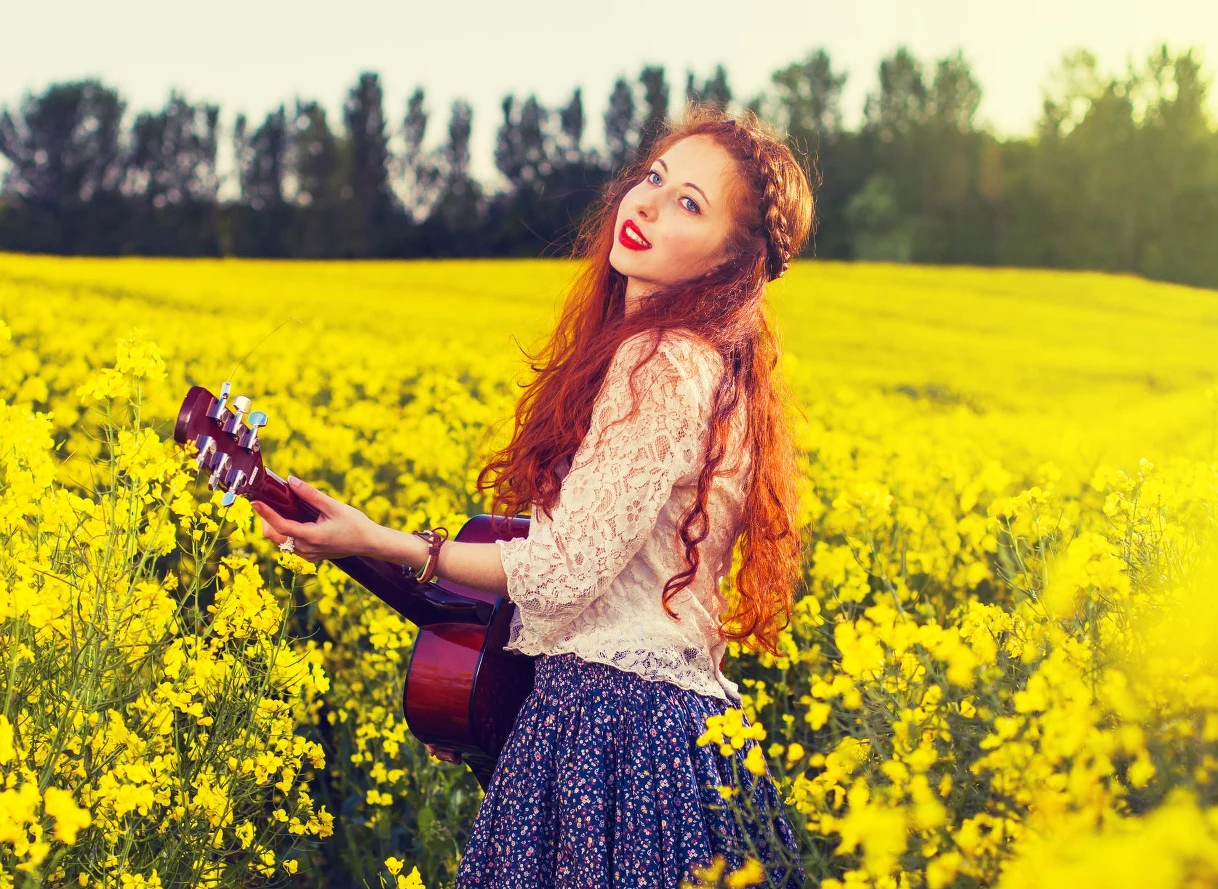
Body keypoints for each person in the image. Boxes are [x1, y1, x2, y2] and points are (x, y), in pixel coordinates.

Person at [252, 100, 815, 888]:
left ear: (730, 260)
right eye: (654, 177)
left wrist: (380, 540)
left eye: (690, 202)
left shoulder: (659, 364)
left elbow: (563, 572)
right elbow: (614, 593)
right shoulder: (712, 369)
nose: (648, 203)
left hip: (611, 736)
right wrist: (490, 702)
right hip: (679, 736)